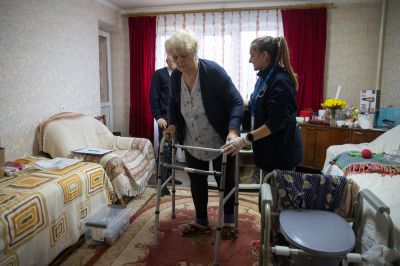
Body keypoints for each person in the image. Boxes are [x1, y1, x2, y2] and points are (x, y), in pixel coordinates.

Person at [163, 29, 244, 239]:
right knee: (197, 181)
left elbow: (236, 101)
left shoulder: (212, 72)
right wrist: (172, 125)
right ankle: (201, 221)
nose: (179, 61)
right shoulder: (175, 78)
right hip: (192, 140)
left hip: (220, 139)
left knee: (225, 182)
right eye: (175, 57)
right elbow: (173, 103)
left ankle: (228, 222)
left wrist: (233, 131)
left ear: (195, 52)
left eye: (184, 56)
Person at [222, 36, 303, 173]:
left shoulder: (280, 81)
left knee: (274, 193)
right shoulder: (264, 77)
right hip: (268, 152)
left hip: (281, 155)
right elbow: (257, 103)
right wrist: (233, 101)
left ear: (264, 55)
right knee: (267, 192)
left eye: (252, 55)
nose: (249, 60)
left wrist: (245, 139)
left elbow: (276, 122)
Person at [150, 55, 182, 196]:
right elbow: (153, 96)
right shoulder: (159, 74)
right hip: (164, 119)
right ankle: (161, 184)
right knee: (165, 151)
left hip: (177, 118)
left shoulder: (180, 74)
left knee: (172, 150)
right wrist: (157, 117)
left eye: (175, 58)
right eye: (171, 58)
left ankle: (170, 178)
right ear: (166, 60)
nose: (174, 61)